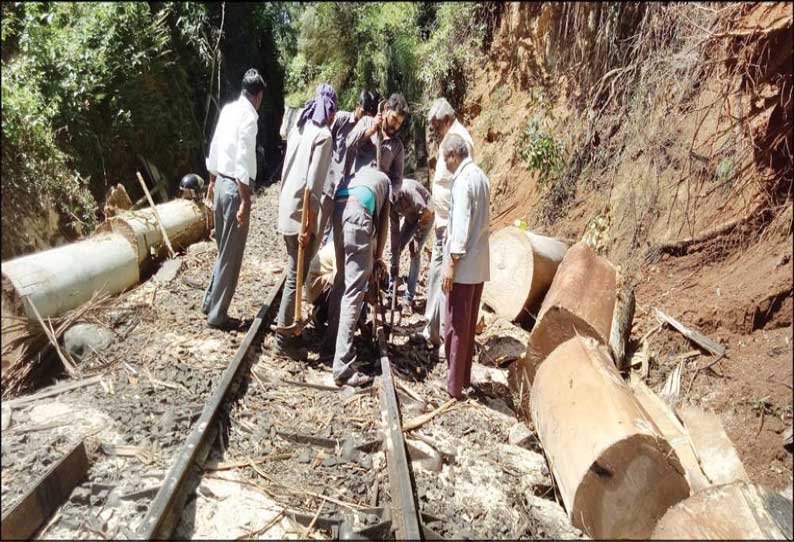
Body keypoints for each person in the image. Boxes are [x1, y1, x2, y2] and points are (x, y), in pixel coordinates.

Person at [323, 93, 410, 356]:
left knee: (361, 275)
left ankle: (352, 328)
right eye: (393, 119)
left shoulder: (396, 148)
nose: (394, 126)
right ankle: (334, 334)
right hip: (349, 201)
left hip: (375, 208)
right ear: (386, 112)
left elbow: (397, 180)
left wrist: (388, 193)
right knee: (344, 275)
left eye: (399, 123)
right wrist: (368, 131)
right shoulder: (367, 124)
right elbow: (344, 147)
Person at [275, 83, 336, 357]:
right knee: (294, 277)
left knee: (293, 274)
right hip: (301, 214)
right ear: (331, 110)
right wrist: (310, 225)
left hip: (287, 206)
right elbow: (313, 187)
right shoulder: (323, 136)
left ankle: (287, 330)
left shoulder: (300, 126)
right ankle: (285, 338)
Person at [202, 68, 265, 330]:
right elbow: (242, 158)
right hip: (235, 189)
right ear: (258, 95)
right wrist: (246, 200)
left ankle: (209, 302)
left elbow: (215, 145)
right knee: (231, 254)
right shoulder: (250, 117)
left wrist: (211, 183)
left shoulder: (228, 110)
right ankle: (217, 315)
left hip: (220, 185)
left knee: (223, 250)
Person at [418, 97, 475, 355]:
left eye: (437, 125)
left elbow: (463, 185)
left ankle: (441, 334)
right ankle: (431, 327)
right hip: (441, 221)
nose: (435, 130)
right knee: (435, 274)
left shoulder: (461, 140)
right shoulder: (449, 137)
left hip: (450, 224)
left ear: (447, 120)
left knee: (444, 278)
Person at [440, 133, 490, 400]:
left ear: (453, 155)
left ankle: (453, 385)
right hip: (478, 265)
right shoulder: (481, 176)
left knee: (455, 326)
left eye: (445, 159)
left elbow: (460, 225)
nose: (445, 165)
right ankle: (464, 377)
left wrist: (451, 264)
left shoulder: (462, 182)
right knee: (468, 324)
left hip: (464, 264)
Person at [387, 178, 434, 314]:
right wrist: (395, 252)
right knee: (395, 250)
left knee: (415, 252)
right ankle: (392, 294)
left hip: (425, 216)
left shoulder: (408, 190)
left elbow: (427, 213)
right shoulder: (390, 202)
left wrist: (417, 239)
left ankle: (408, 299)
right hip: (410, 218)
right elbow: (394, 231)